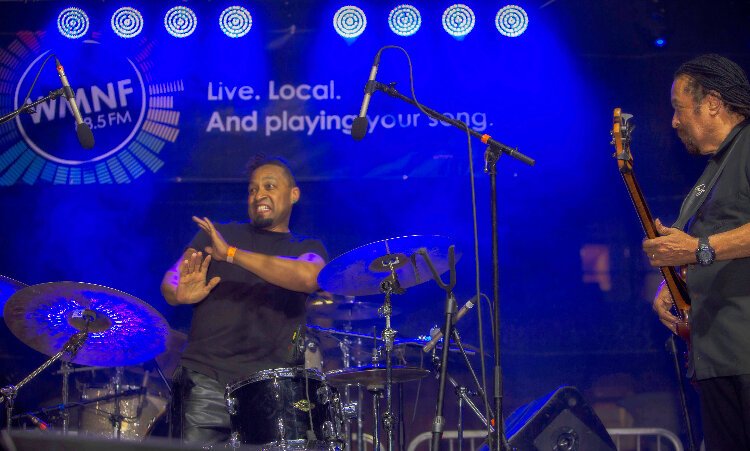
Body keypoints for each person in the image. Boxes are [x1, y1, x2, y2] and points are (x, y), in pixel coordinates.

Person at [160, 156, 327, 446]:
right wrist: (178, 293)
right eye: (252, 189)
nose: (259, 194)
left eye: (269, 186)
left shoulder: (306, 247)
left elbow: (309, 276)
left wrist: (233, 255)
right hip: (205, 381)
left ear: (293, 194)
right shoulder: (215, 235)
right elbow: (173, 279)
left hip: (270, 391)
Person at [643, 54, 750, 450]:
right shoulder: (712, 171)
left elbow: (708, 248)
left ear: (713, 103)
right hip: (717, 356)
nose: (674, 122)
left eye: (678, 109)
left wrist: (699, 249)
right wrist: (677, 279)